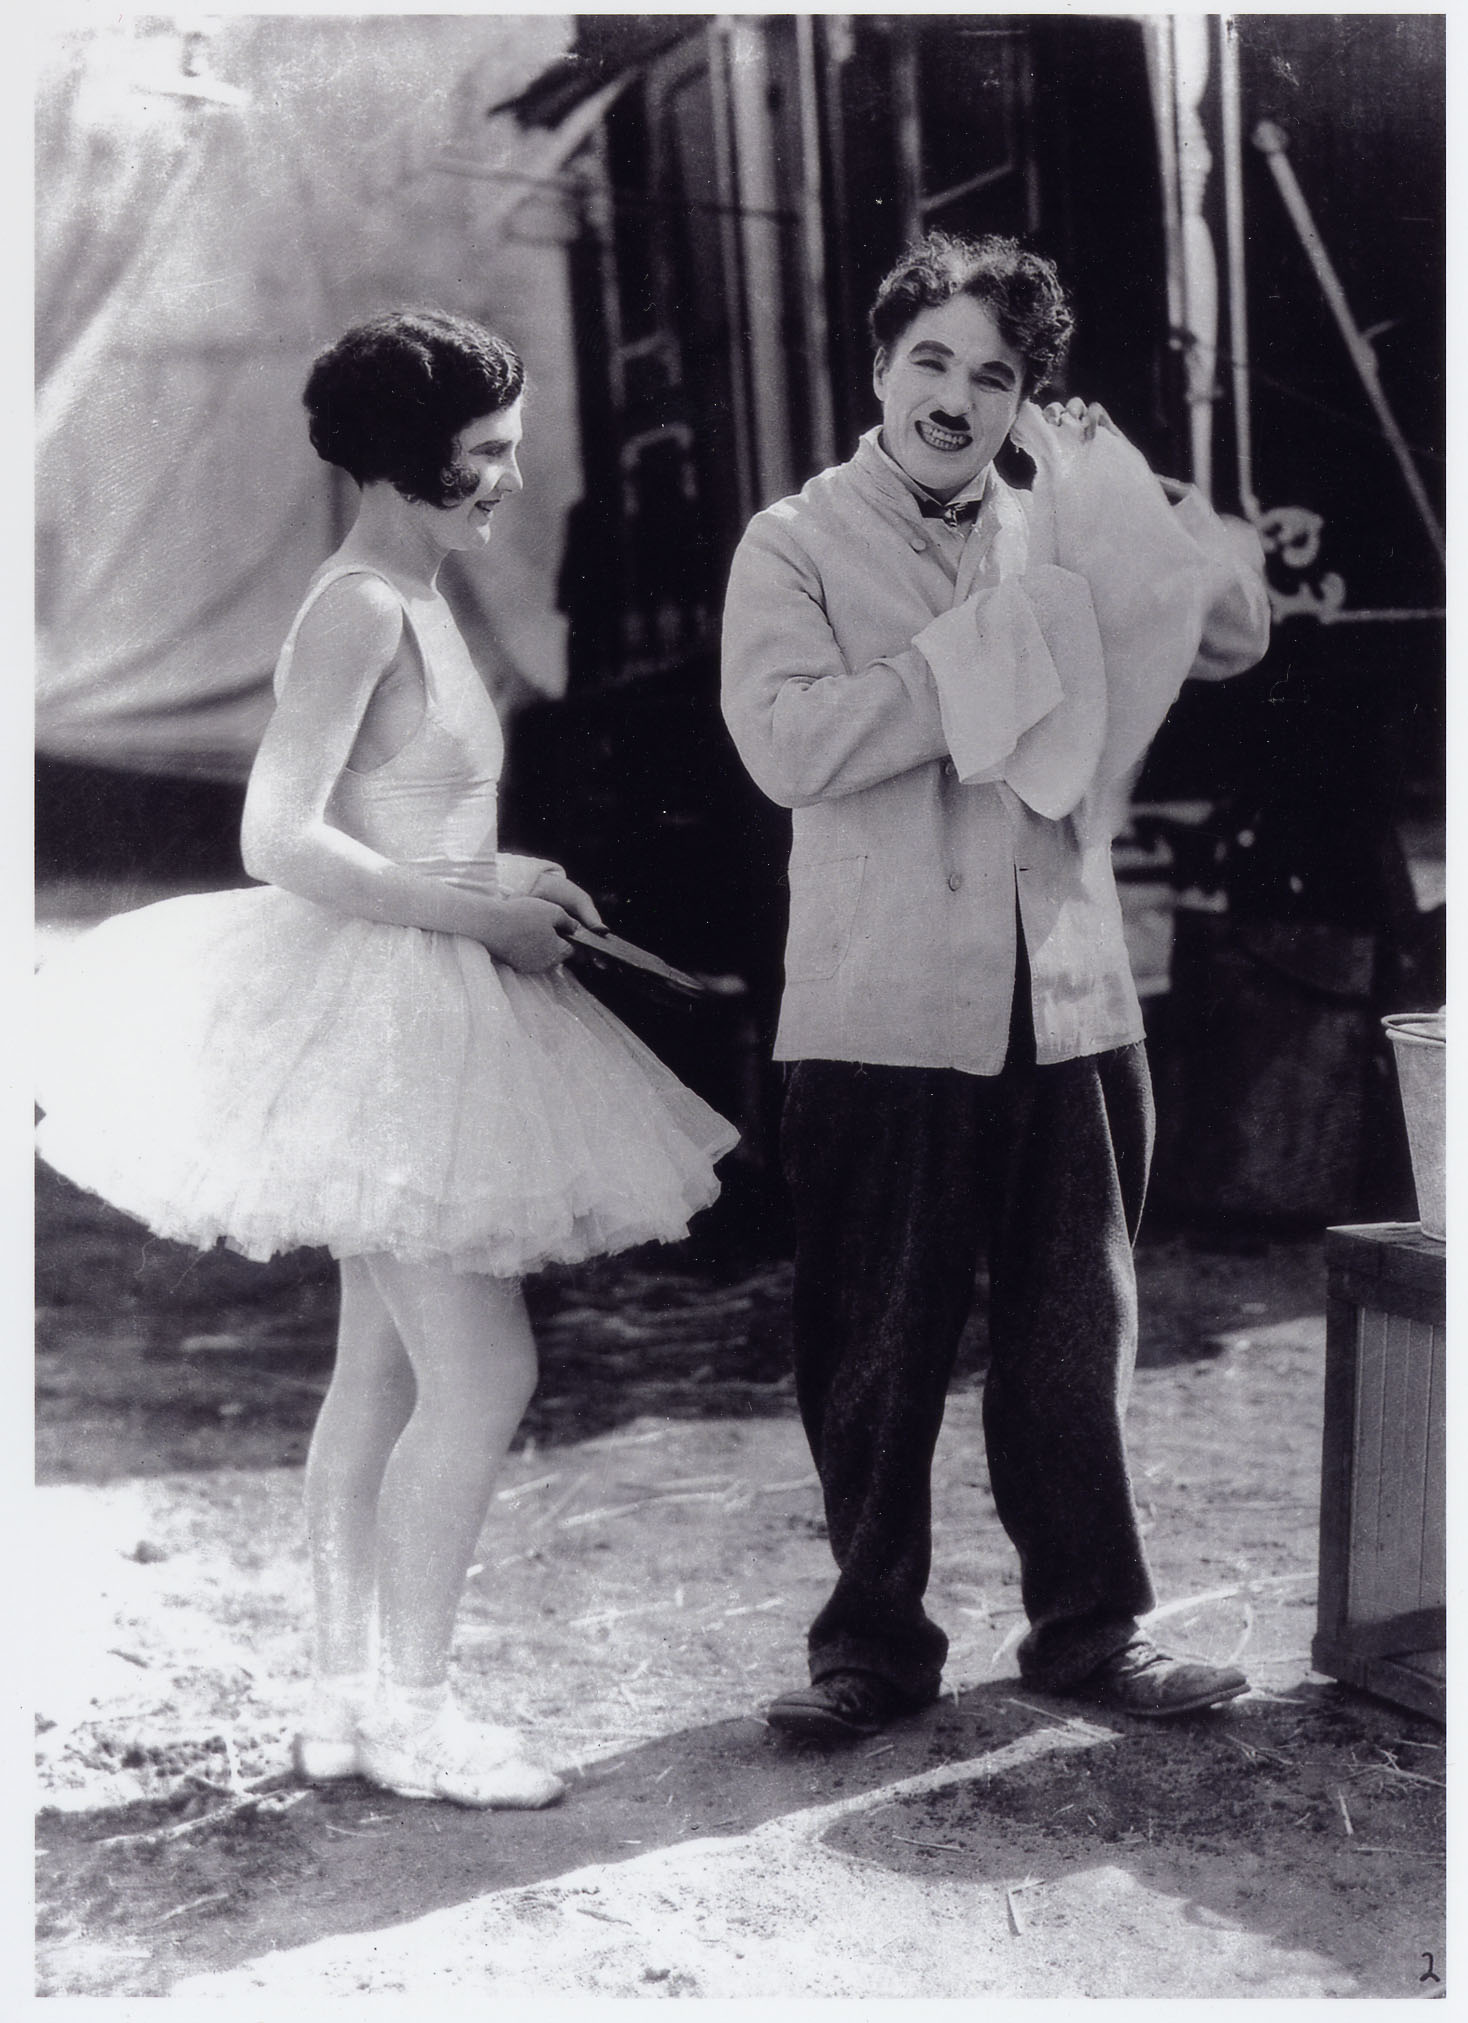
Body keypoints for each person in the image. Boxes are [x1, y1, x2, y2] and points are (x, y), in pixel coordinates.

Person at [35, 308, 738, 1805]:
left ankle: (346, 1701)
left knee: (382, 1374)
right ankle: (416, 1712)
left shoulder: (417, 593)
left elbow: (397, 810)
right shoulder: (359, 605)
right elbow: (277, 836)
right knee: (483, 1375)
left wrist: (511, 874)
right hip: (396, 1020)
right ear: (406, 458)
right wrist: (479, 917)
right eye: (484, 454)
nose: (509, 479)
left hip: (422, 991)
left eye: (508, 447)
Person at [720, 232, 1271, 1741]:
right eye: (932, 362)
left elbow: (1230, 632)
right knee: (874, 1347)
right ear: (878, 367)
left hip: (1068, 993)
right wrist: (986, 654)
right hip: (881, 1000)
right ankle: (870, 1650)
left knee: (1074, 1340)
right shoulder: (794, 539)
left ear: (1026, 399)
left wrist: (1127, 487)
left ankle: (1092, 1631)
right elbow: (787, 745)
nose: (956, 399)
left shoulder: (1056, 514)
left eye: (996, 376)